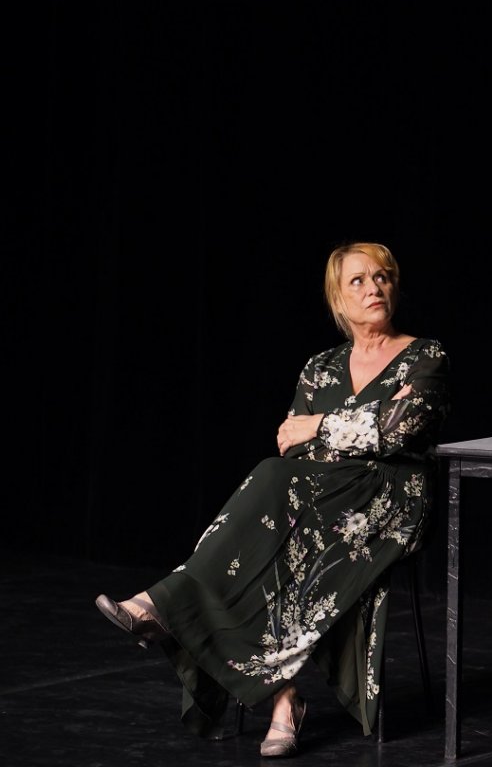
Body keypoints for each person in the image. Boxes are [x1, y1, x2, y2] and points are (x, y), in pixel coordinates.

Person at [95, 242, 451, 757]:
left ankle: (168, 605)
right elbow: (291, 442)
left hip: (391, 501)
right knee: (271, 504)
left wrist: (322, 425)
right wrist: (357, 429)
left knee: (273, 500)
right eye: (358, 280)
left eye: (383, 277)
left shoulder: (426, 355)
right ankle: (283, 697)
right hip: (321, 495)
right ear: (337, 297)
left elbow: (399, 433)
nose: (374, 288)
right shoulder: (321, 367)